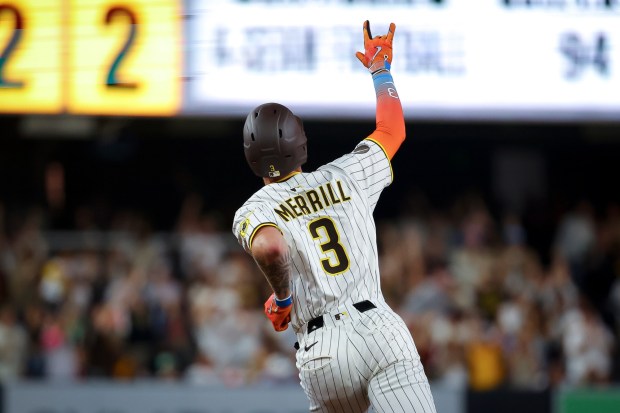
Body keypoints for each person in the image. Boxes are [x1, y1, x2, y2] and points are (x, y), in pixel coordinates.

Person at [233, 20, 437, 413]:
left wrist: (282, 297)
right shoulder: (347, 173)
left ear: (251, 157)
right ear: (301, 144)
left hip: (323, 351)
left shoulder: (255, 208)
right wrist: (381, 70)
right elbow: (392, 130)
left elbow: (271, 246)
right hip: (380, 329)